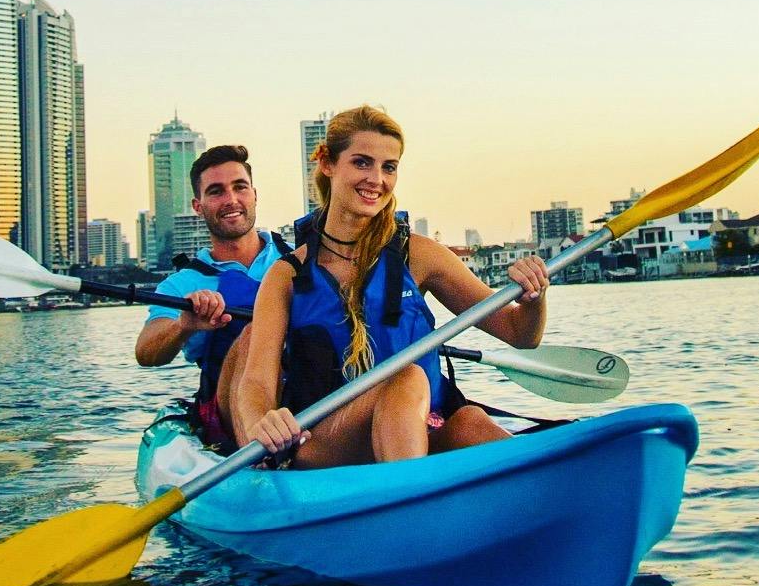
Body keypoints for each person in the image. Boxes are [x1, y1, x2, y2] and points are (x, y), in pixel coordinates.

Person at [233, 104, 551, 467]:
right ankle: (410, 505)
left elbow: (520, 334)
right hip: (326, 442)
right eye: (361, 162)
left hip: (419, 428)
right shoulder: (287, 274)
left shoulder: (420, 255)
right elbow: (256, 381)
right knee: (407, 379)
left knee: (471, 422)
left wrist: (533, 298)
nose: (376, 179)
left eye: (389, 167)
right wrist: (263, 420)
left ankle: (542, 488)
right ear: (328, 164)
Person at [133, 143, 285, 446]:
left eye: (240, 187)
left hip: (308, 399)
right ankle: (261, 458)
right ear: (198, 205)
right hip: (231, 415)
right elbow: (146, 353)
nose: (231, 200)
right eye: (216, 191)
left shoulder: (299, 260)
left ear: (254, 194)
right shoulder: (183, 284)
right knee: (251, 335)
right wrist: (183, 326)